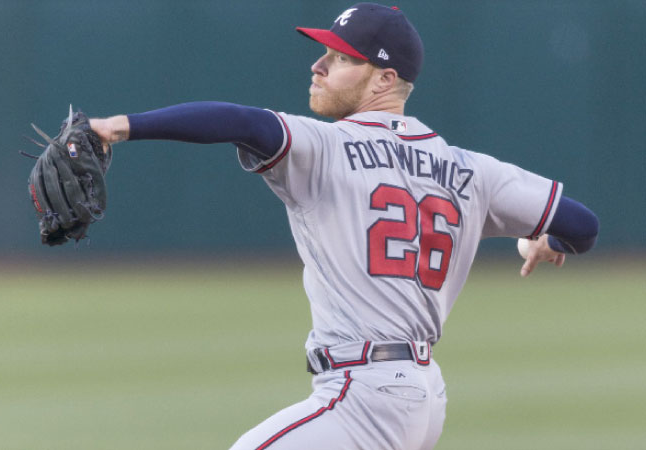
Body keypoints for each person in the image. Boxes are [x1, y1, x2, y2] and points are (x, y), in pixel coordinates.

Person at [90, 3, 599, 449]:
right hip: (424, 395)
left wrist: (121, 127)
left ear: (383, 78)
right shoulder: (473, 171)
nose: (318, 65)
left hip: (364, 396)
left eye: (339, 58)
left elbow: (240, 122)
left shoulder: (325, 146)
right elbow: (583, 224)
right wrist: (547, 240)